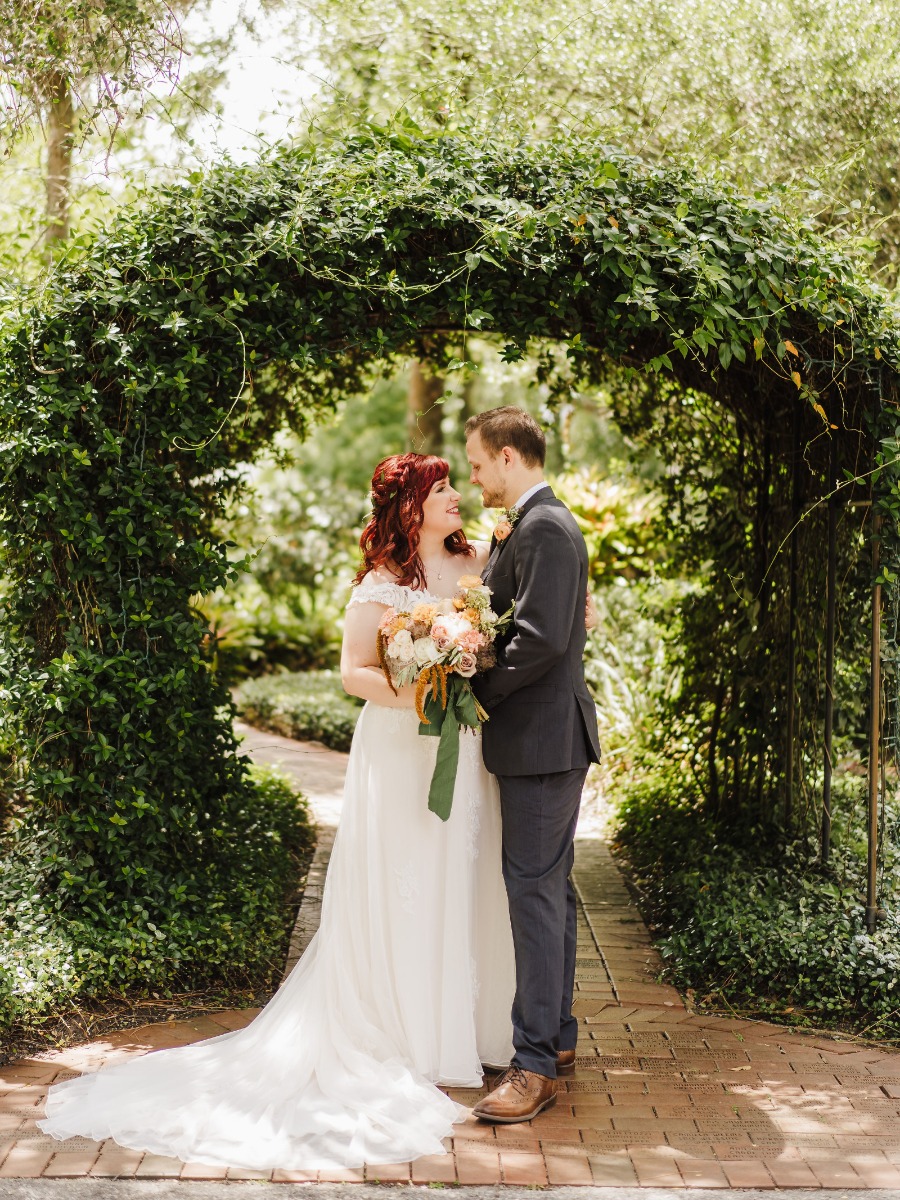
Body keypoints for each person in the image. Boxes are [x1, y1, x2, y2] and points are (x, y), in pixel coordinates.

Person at [38, 452, 517, 1171]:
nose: (456, 498)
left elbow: (519, 608)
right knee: (405, 879)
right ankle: (411, 1033)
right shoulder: (379, 587)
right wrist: (421, 689)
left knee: (465, 874)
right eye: (443, 490)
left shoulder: (476, 560)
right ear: (409, 509)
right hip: (400, 745)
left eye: (455, 486)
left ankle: (472, 1031)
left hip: (462, 745)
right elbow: (355, 672)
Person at [464, 406, 601, 1124]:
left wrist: (479, 690)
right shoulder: (538, 526)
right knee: (551, 891)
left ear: (510, 457)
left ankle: (534, 1066)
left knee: (534, 896)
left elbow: (543, 641)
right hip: (544, 741)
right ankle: (560, 1038)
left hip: (543, 742)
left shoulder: (545, 526)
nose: (476, 476)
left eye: (480, 464)